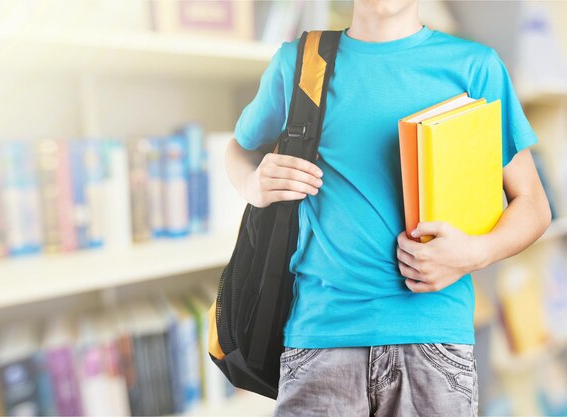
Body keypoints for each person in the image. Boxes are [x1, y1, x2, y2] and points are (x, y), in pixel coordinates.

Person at [224, 0, 551, 416]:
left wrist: (475, 253)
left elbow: (534, 205)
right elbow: (239, 149)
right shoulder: (299, 63)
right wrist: (253, 183)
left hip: (434, 345)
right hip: (319, 340)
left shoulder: (475, 67)